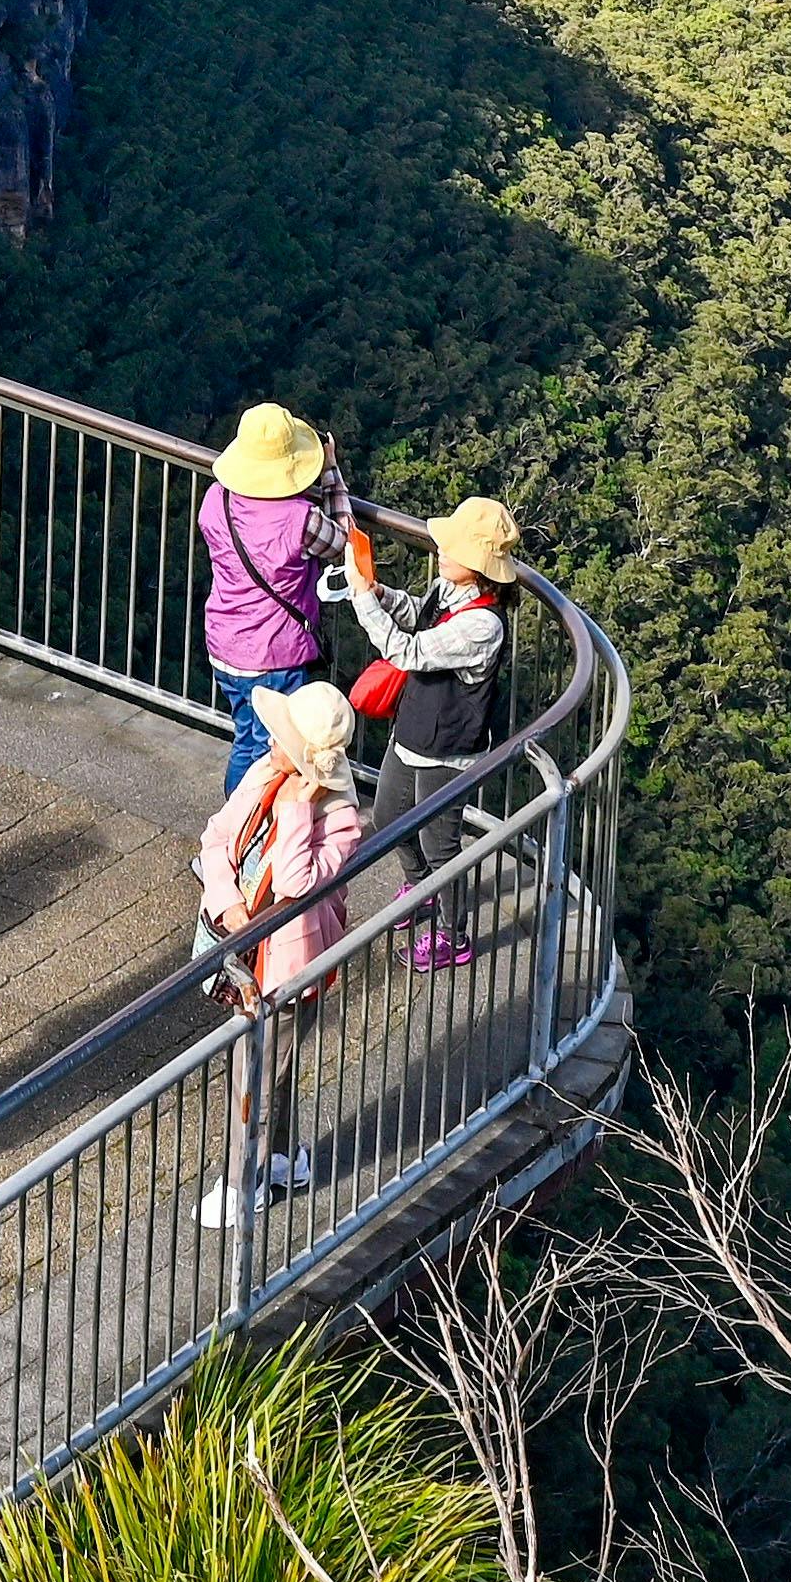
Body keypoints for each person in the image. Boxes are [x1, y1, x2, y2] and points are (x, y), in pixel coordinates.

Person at [192, 677, 364, 1223]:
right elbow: (215, 837)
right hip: (250, 943)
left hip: (292, 962)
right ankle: (285, 1158)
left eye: (281, 738)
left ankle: (246, 1184)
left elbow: (296, 883)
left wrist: (298, 807)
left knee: (257, 1071)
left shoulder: (339, 817)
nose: (269, 742)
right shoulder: (267, 770)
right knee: (272, 1064)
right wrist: (227, 904)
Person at [343, 498, 520, 975]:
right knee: (388, 816)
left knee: (440, 843)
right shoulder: (448, 590)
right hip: (415, 731)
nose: (441, 550)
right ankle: (421, 889)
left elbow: (409, 651)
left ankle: (453, 935)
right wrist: (380, 594)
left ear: (480, 567)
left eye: (453, 546)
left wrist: (362, 602)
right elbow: (416, 614)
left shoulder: (483, 625)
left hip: (448, 751)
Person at [196, 404, 341, 800]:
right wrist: (331, 476)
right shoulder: (302, 519)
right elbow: (341, 539)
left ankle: (234, 837)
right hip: (275, 656)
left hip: (224, 644)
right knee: (268, 752)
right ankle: (243, 842)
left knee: (247, 736)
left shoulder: (215, 500)